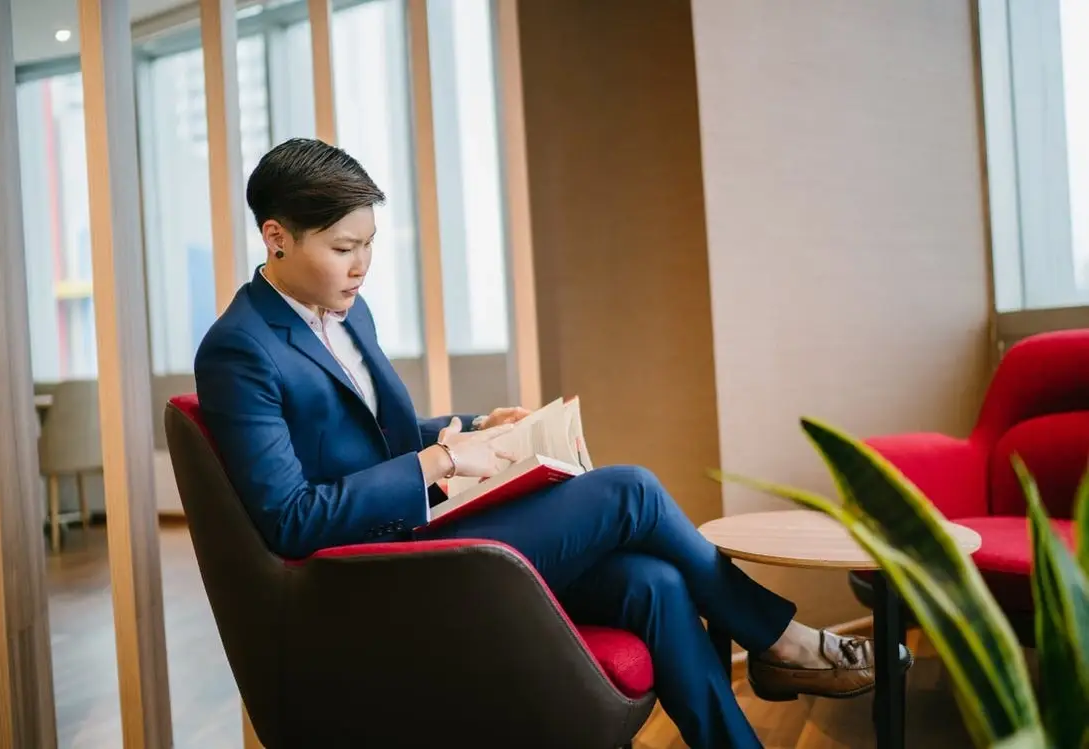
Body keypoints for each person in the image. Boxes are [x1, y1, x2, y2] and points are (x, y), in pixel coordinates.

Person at [194, 138, 910, 749]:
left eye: (370, 246)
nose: (361, 267)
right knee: (629, 489)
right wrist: (439, 461)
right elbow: (289, 516)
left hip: (422, 532)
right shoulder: (240, 350)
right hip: (372, 577)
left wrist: (472, 428)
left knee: (653, 582)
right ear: (276, 236)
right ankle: (778, 640)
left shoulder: (345, 310)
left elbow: (375, 435)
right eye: (343, 248)